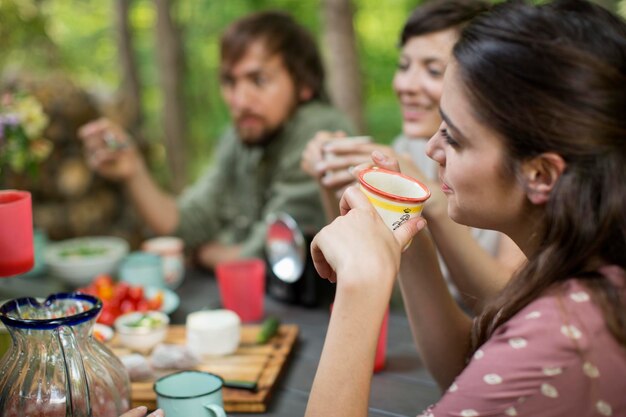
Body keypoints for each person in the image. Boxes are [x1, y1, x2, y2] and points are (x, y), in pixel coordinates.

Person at [305, 0, 626, 416]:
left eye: (454, 138)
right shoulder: (583, 267)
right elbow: (472, 371)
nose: (431, 149)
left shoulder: (564, 336)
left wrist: (360, 288)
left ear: (541, 174)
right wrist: (406, 218)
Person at [79, 11, 354, 270]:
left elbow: (268, 256)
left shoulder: (320, 130)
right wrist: (133, 170)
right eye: (230, 82)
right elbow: (186, 222)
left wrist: (208, 254)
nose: (240, 100)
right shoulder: (240, 137)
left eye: (258, 80)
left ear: (304, 85)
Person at [301, 0, 524, 310]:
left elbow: (510, 299)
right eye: (404, 66)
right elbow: (375, 278)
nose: (405, 85)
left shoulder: (513, 164)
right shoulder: (407, 149)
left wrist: (431, 200)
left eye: (433, 70)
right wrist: (331, 177)